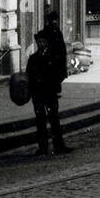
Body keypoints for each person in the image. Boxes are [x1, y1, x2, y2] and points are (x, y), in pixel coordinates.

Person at [27, 24, 70, 156]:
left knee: (54, 120)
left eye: (43, 41)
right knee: (40, 121)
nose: (41, 44)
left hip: (50, 92)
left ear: (47, 43)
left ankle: (59, 146)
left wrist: (54, 84)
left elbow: (59, 74)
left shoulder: (53, 57)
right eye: (39, 42)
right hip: (37, 94)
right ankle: (42, 148)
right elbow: (29, 75)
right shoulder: (33, 58)